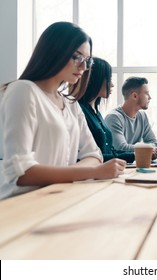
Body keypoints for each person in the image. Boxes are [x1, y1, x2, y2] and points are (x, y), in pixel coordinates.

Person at [0, 22, 126, 200]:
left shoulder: (71, 104)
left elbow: (94, 154)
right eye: (77, 57)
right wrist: (93, 172)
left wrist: (88, 170)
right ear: (54, 52)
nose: (83, 67)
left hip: (57, 198)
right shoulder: (23, 90)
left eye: (87, 60)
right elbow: (22, 173)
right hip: (21, 203)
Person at [78, 57, 135, 163]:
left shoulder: (96, 113)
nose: (112, 85)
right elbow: (94, 157)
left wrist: (136, 155)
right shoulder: (80, 111)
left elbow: (110, 152)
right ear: (96, 80)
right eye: (109, 79)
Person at [105, 76, 157, 159]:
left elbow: (152, 142)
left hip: (137, 164)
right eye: (146, 93)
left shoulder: (142, 116)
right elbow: (121, 148)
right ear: (135, 96)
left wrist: (153, 147)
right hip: (120, 167)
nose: (150, 97)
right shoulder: (114, 118)